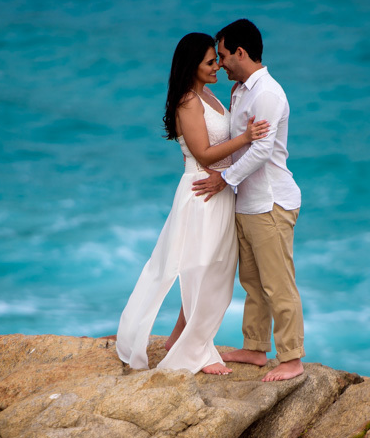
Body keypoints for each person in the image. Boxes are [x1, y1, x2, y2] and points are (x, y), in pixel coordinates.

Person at [116, 32, 270, 375]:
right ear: (192, 67)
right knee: (194, 269)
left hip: (220, 191)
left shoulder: (210, 95)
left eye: (218, 58)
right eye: (210, 62)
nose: (218, 65)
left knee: (215, 270)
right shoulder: (188, 100)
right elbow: (202, 153)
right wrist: (245, 138)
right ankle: (193, 351)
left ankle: (179, 339)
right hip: (201, 191)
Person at [192, 19, 306, 382]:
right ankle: (255, 348)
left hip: (270, 202)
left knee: (278, 283)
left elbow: (262, 150)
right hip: (247, 201)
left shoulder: (267, 94)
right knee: (253, 282)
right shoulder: (241, 90)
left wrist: (223, 179)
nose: (220, 63)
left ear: (241, 53)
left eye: (223, 55)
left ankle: (292, 357)